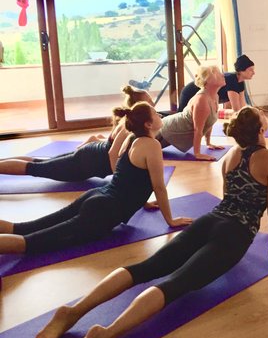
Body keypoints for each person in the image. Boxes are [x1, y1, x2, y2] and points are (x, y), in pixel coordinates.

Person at [32, 106, 268, 338]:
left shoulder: (230, 156)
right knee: (177, 283)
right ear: (262, 129)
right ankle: (107, 333)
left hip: (210, 220)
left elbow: (231, 196)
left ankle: (73, 311)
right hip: (235, 233)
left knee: (146, 267)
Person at [0, 102, 192, 256]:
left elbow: (126, 174)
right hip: (103, 211)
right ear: (148, 124)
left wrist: (142, 201)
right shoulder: (152, 146)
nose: (161, 116)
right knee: (31, 243)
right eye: (157, 114)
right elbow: (159, 187)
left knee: (26, 228)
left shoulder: (132, 138)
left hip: (97, 196)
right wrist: (171, 220)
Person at [0, 85, 153, 181]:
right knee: (34, 168)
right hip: (85, 163)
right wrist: (118, 180)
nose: (153, 103)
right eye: (149, 100)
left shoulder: (129, 119)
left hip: (88, 157)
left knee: (38, 162)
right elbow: (113, 153)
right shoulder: (130, 125)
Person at [158, 65, 225, 160]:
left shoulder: (215, 96)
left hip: (173, 131)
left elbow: (209, 121)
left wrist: (208, 143)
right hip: (166, 131)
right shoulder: (202, 100)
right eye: (216, 73)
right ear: (207, 81)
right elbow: (198, 130)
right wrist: (197, 154)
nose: (222, 75)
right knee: (140, 148)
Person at [178, 54, 255, 112]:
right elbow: (236, 110)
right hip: (190, 92)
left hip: (199, 94)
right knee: (181, 116)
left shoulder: (240, 81)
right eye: (250, 70)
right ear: (241, 70)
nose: (253, 73)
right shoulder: (232, 79)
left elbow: (242, 106)